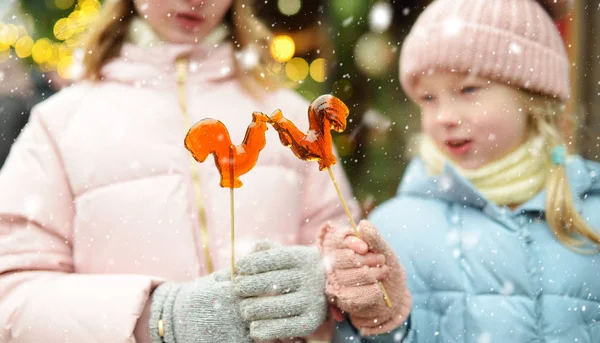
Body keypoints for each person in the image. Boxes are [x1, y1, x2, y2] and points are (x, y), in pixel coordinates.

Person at [0, 0, 360, 342]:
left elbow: (345, 261)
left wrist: (330, 283)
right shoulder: (60, 125)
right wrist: (158, 318)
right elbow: (11, 297)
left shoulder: (289, 118)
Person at [318, 0, 600, 342]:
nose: (444, 117)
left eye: (468, 89)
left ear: (533, 94)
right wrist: (381, 322)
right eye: (428, 99)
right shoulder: (395, 228)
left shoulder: (590, 213)